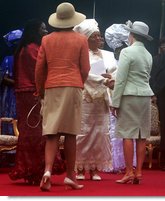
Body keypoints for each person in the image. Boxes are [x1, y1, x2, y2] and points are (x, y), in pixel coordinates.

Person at [35, 2, 90, 191]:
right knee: (70, 134)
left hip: (51, 86)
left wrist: (41, 91)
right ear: (73, 19)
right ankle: (70, 176)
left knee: (52, 133)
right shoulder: (81, 39)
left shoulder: (46, 40)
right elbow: (85, 69)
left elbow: (39, 69)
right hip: (73, 85)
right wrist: (79, 83)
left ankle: (47, 171)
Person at [8, 19, 65, 185]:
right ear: (35, 31)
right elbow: (41, 72)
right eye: (42, 29)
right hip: (33, 93)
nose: (45, 31)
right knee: (39, 133)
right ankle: (36, 169)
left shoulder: (24, 49)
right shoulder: (33, 49)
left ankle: (31, 169)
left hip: (24, 94)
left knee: (30, 132)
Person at [110, 21, 154, 184]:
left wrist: (115, 101)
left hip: (129, 95)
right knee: (141, 135)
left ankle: (129, 171)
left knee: (128, 134)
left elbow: (120, 80)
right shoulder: (148, 55)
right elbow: (147, 77)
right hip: (145, 95)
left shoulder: (127, 52)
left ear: (132, 35)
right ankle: (139, 172)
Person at [73, 19, 115, 181]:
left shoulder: (107, 55)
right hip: (85, 98)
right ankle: (81, 168)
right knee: (83, 133)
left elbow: (115, 72)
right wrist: (102, 80)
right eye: (94, 37)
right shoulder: (79, 55)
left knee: (100, 133)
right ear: (86, 39)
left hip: (102, 100)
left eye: (99, 36)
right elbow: (84, 74)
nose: (98, 39)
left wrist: (112, 78)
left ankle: (95, 168)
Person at [104, 23, 137, 173]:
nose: (119, 52)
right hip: (111, 101)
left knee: (129, 133)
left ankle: (130, 163)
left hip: (128, 99)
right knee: (114, 132)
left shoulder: (130, 61)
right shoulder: (109, 62)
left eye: (121, 49)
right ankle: (115, 163)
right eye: (117, 50)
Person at [149, 36, 165, 171]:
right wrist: (154, 94)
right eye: (163, 45)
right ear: (159, 47)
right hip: (162, 97)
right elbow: (152, 78)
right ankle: (164, 159)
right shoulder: (155, 60)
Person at [0, 29, 22, 135]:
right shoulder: (8, 59)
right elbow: (2, 79)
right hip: (9, 94)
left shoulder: (23, 58)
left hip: (19, 93)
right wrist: (17, 83)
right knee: (8, 116)